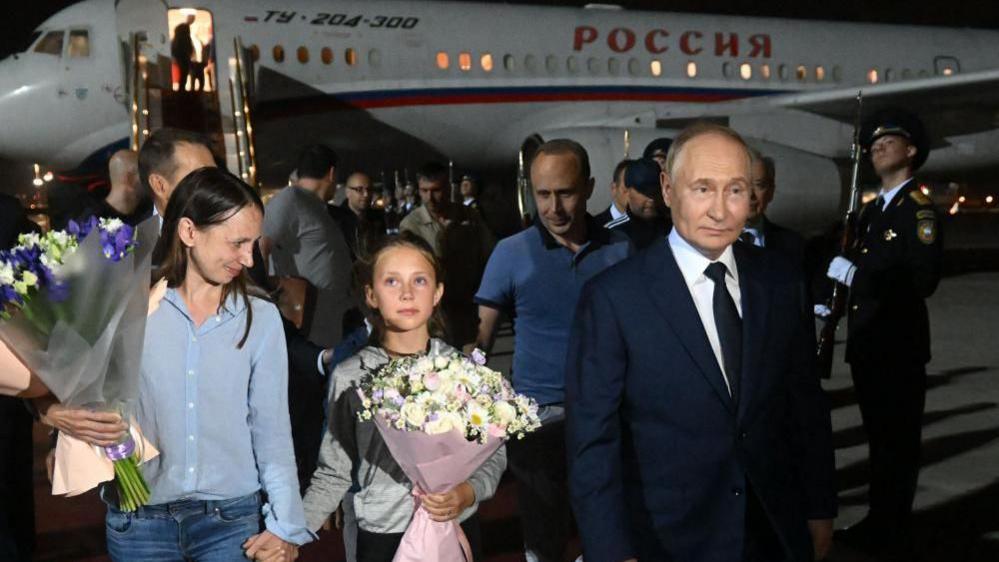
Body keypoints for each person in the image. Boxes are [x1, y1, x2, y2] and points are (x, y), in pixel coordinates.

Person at [566, 123, 836, 562]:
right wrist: (611, 549)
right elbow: (592, 441)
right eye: (703, 189)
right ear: (669, 190)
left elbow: (805, 405)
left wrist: (820, 506)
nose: (720, 210)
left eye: (735, 191)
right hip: (665, 539)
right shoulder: (614, 297)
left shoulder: (781, 281)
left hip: (771, 531)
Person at [104, 167, 310, 561]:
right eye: (237, 243)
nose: (248, 259)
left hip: (231, 522)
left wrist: (286, 525)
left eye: (253, 244)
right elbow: (95, 397)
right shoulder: (132, 306)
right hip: (140, 522)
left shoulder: (261, 318)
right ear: (188, 232)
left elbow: (272, 433)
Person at [473, 139, 632, 562]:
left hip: (608, 416)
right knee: (544, 540)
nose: (554, 208)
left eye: (565, 193)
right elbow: (480, 340)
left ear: (590, 187)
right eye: (543, 194)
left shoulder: (623, 251)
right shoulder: (510, 253)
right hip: (537, 421)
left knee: (609, 533)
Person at [302, 233, 506, 562]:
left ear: (438, 292)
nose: (407, 293)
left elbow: (493, 451)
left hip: (452, 524)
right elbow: (334, 471)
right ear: (371, 294)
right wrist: (289, 535)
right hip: (384, 534)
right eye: (392, 281)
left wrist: (467, 493)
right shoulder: (352, 376)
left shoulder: (461, 370)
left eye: (420, 280)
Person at [828, 109, 942, 556]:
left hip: (898, 348)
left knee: (897, 446)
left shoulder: (919, 210)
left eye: (887, 141)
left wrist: (857, 276)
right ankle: (880, 523)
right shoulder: (876, 210)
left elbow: (923, 278)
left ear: (911, 151)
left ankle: (893, 532)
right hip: (870, 345)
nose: (876, 147)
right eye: (872, 144)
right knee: (880, 443)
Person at [260, 144, 354, 348]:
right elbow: (260, 247)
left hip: (332, 321)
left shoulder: (315, 206)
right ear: (331, 173)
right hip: (310, 326)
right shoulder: (290, 199)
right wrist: (270, 289)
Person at [401, 162, 494, 346]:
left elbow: (490, 254)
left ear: (447, 187)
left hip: (469, 308)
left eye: (436, 190)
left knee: (474, 365)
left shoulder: (469, 217)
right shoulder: (411, 225)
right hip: (435, 314)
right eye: (424, 191)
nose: (430, 198)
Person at [741, 149, 806, 265]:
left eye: (759, 185)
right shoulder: (707, 242)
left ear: (771, 192)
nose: (750, 195)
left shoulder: (793, 246)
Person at [138, 128, 217, 220]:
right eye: (199, 176)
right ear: (159, 185)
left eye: (215, 174)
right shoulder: (139, 233)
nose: (215, 184)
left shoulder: (232, 223)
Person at [607, 158, 672, 249]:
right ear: (628, 191)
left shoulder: (673, 226)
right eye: (644, 192)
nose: (651, 199)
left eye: (655, 191)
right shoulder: (613, 233)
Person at [75, 150, 148, 225]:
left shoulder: (149, 208)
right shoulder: (90, 224)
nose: (150, 178)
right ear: (129, 179)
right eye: (144, 172)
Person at [327, 171, 385, 259]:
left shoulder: (378, 218)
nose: (366, 194)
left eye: (369, 190)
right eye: (359, 190)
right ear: (348, 192)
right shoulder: (336, 220)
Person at [593, 159, 631, 228]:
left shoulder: (650, 225)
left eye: (639, 187)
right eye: (628, 186)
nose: (634, 192)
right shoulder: (594, 226)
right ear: (614, 188)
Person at [170, 15, 196, 91]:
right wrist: (190, 53)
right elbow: (188, 44)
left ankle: (181, 90)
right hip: (184, 56)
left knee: (182, 74)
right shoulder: (185, 31)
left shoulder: (177, 36)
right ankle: (182, 90)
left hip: (179, 55)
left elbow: (175, 46)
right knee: (184, 74)